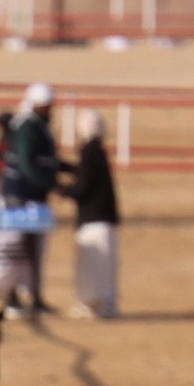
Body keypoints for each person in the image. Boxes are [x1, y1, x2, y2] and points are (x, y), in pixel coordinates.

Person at [0, 82, 59, 314]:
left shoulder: (35, 126)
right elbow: (27, 164)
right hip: (21, 198)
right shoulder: (27, 127)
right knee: (15, 248)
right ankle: (12, 297)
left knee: (33, 249)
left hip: (31, 198)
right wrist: (51, 183)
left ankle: (33, 297)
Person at [67, 109, 119, 318]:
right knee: (104, 265)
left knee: (92, 264)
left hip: (94, 218)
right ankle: (102, 303)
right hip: (104, 216)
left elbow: (83, 186)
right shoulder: (97, 151)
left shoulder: (89, 152)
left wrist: (60, 189)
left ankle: (96, 304)